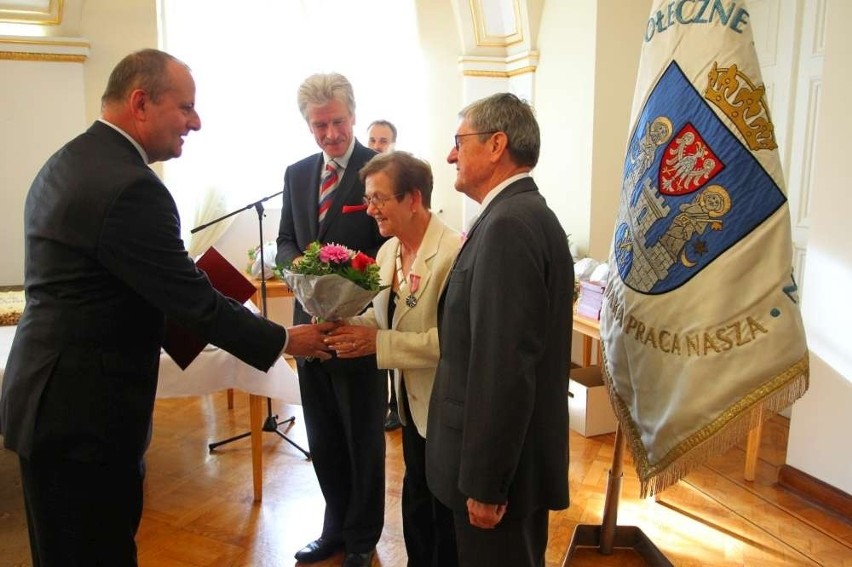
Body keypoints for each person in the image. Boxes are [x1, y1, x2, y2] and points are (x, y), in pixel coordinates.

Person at [0, 49, 333, 567]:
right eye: (185, 107)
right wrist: (285, 340)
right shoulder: (132, 185)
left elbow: (128, 284)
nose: (195, 122)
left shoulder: (70, 159)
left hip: (50, 400)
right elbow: (191, 300)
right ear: (140, 102)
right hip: (85, 416)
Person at [425, 92, 574, 567]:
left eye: (458, 141)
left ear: (496, 145)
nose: (451, 154)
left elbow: (503, 367)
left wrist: (487, 484)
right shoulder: (517, 215)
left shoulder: (510, 225)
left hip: (500, 476)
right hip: (510, 463)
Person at [325, 151, 460, 567]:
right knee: (416, 506)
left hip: (445, 407)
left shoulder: (453, 254)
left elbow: (453, 343)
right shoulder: (387, 253)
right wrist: (338, 319)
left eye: (379, 199)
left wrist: (376, 344)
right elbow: (377, 315)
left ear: (413, 198)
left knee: (444, 518)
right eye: (368, 199)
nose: (370, 209)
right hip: (409, 406)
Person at [276, 72, 387, 567]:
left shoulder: (379, 170)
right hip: (308, 330)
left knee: (362, 437)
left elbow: (389, 246)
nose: (329, 135)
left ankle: (363, 539)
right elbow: (284, 240)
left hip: (358, 328)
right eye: (319, 125)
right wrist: (300, 269)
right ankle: (334, 528)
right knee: (321, 437)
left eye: (337, 122)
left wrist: (349, 284)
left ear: (353, 115)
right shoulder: (297, 173)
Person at [366, 119, 402, 431]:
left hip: (395, 271)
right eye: (373, 139)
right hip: (376, 270)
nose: (377, 145)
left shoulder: (399, 180)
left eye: (383, 140)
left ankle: (397, 405)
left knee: (395, 335)